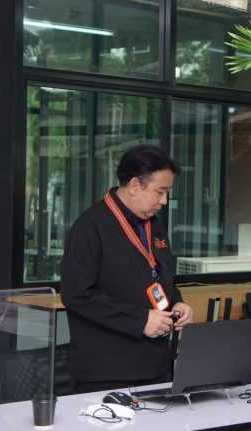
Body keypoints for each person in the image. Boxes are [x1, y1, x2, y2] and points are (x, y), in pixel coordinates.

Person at [60, 145, 193, 393]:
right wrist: (140, 320)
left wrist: (177, 302)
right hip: (108, 373)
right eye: (160, 192)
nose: (164, 201)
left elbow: (158, 277)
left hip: (156, 367)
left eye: (167, 192)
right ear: (134, 185)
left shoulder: (155, 226)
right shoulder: (90, 227)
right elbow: (77, 294)